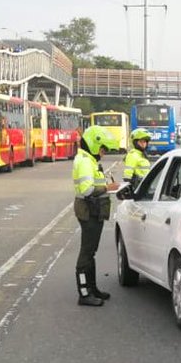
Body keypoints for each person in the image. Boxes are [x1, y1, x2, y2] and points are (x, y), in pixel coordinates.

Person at [73, 126, 119, 306]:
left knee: (91, 252)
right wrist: (108, 188)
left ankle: (93, 289)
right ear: (93, 145)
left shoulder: (89, 160)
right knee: (86, 253)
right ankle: (84, 294)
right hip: (88, 211)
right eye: (102, 149)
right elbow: (86, 190)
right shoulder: (85, 161)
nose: (103, 153)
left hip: (94, 211)